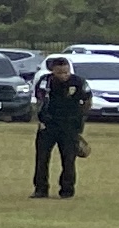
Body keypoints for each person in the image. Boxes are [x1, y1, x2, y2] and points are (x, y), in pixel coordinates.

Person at [33, 53, 91, 198]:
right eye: (60, 72)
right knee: (42, 158)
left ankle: (67, 190)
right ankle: (41, 189)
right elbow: (39, 101)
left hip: (69, 125)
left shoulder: (79, 82)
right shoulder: (45, 82)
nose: (64, 75)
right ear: (53, 71)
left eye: (66, 72)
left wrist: (79, 118)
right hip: (48, 125)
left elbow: (87, 101)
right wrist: (40, 119)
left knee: (69, 159)